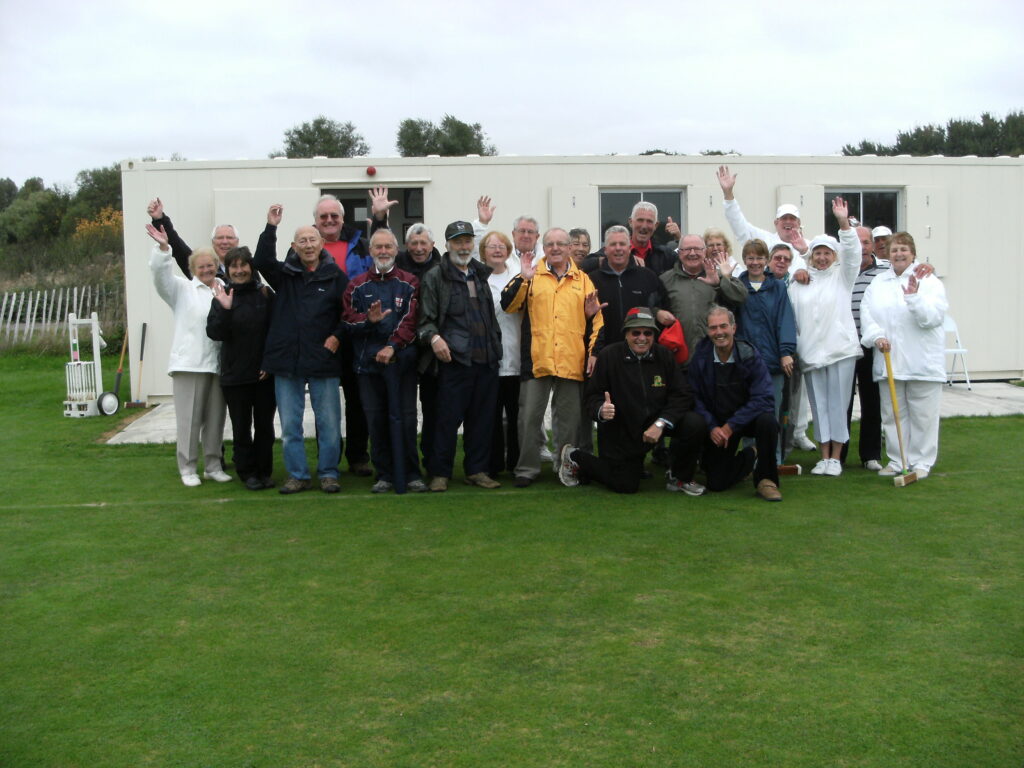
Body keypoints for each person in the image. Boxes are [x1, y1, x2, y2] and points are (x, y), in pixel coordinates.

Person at [557, 308, 705, 495]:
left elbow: (682, 394)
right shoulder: (609, 356)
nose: (642, 338)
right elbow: (591, 398)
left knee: (695, 423)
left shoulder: (664, 355)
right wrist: (602, 410)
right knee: (625, 485)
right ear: (626, 334)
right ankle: (575, 457)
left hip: (656, 423)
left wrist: (661, 423)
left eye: (648, 333)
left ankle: (680, 478)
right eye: (636, 332)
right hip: (622, 428)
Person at [255, 205, 348, 494]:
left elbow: (349, 313)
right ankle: (297, 475)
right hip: (287, 361)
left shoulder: (336, 276)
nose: (308, 245)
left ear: (322, 243)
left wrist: (337, 335)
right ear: (294, 246)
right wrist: (271, 227)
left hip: (323, 359)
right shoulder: (285, 274)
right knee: (290, 426)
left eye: (313, 240)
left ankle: (329, 473)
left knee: (329, 424)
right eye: (302, 241)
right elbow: (261, 259)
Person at [501, 227, 604, 487]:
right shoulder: (531, 275)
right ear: (543, 248)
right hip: (538, 359)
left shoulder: (583, 280)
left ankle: (564, 466)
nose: (555, 248)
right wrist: (523, 278)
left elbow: (597, 320)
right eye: (550, 244)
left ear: (570, 248)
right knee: (528, 418)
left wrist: (593, 352)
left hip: (571, 359)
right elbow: (508, 304)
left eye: (561, 243)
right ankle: (526, 468)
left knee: (569, 421)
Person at [417, 221, 503, 492]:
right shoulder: (434, 277)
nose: (463, 246)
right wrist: (434, 338)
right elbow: (424, 321)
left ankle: (476, 470)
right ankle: (440, 473)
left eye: (467, 241)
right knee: (446, 421)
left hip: (485, 360)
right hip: (454, 362)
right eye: (457, 241)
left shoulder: (480, 274)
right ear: (447, 245)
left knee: (482, 420)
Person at [313, 189, 393, 479]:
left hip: (358, 334)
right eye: (324, 216)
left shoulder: (359, 243)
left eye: (334, 215)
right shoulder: (306, 246)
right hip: (323, 339)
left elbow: (382, 253)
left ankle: (359, 457)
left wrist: (381, 218)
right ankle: (328, 459)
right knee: (325, 405)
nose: (330, 220)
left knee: (358, 402)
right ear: (316, 221)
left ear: (342, 217)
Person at [342, 229, 426, 493]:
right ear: (371, 252)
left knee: (407, 418)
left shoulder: (410, 282)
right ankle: (385, 474)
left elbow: (411, 321)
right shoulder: (356, 285)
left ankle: (412, 473)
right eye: (378, 247)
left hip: (402, 365)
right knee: (376, 421)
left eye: (388, 247)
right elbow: (347, 320)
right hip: (368, 366)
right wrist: (369, 321)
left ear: (396, 249)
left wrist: (392, 345)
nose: (383, 252)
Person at [146, 223, 229, 487]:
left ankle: (213, 466)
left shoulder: (225, 290)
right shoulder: (181, 290)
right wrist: (163, 249)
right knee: (190, 421)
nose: (206, 269)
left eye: (210, 265)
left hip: (218, 366)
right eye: (201, 266)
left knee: (215, 420)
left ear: (217, 265)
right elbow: (160, 277)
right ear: (193, 269)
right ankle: (188, 467)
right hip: (189, 366)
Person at [860, 232, 948, 478]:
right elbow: (867, 313)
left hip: (922, 361)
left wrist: (913, 298)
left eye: (904, 250)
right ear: (888, 254)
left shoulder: (928, 280)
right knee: (893, 414)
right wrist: (876, 335)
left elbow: (932, 318)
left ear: (913, 253)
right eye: (895, 249)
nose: (899, 254)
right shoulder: (878, 283)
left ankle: (921, 462)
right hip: (889, 360)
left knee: (923, 415)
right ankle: (898, 461)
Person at [787, 198, 862, 477]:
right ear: (811, 256)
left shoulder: (843, 277)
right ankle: (824, 456)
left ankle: (836, 458)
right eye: (817, 253)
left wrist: (843, 223)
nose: (822, 258)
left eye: (827, 253)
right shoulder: (800, 282)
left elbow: (853, 252)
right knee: (818, 407)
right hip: (811, 355)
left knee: (837, 405)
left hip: (840, 351)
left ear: (834, 256)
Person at [689, 306, 782, 501]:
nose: (719, 332)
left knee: (768, 422)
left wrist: (731, 426)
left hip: (744, 420)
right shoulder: (700, 357)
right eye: (713, 328)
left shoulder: (750, 354)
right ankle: (750, 456)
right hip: (718, 424)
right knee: (716, 483)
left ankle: (766, 480)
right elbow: (694, 396)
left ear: (734, 328)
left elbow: (764, 398)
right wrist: (712, 426)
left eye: (723, 326)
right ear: (707, 331)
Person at [206, 246, 276, 490]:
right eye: (234, 266)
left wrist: (269, 363)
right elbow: (215, 333)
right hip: (235, 376)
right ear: (228, 270)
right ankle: (247, 473)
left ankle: (265, 471)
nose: (239, 270)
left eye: (243, 265)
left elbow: (275, 333)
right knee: (241, 428)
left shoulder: (265, 294)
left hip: (264, 375)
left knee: (265, 427)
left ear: (251, 268)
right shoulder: (222, 296)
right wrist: (225, 309)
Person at [734, 238, 797, 446]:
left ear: (766, 260)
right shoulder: (737, 287)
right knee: (747, 411)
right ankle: (749, 457)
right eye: (750, 258)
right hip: (746, 363)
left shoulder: (777, 287)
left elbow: (785, 320)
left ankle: (773, 458)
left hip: (772, 362)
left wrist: (785, 352)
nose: (755, 262)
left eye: (759, 258)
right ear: (744, 260)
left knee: (772, 411)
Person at [660, 234, 747, 356]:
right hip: (679, 356)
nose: (692, 253)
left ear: (705, 252)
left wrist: (721, 282)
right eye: (687, 249)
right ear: (679, 253)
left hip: (714, 357)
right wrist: (657, 312)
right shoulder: (666, 280)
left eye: (697, 249)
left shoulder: (717, 275)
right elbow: (653, 307)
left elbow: (740, 297)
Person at [482, 230, 522, 477]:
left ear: (508, 251)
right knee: (491, 416)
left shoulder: (519, 277)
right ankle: (493, 464)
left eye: (501, 246)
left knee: (517, 415)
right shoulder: (478, 280)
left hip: (516, 356)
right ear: (483, 252)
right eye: (491, 246)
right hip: (489, 359)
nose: (497, 250)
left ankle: (517, 463)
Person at [717, 165, 808, 273]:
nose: (788, 221)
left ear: (799, 223)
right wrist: (728, 194)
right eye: (784, 218)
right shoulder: (764, 240)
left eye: (792, 219)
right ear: (776, 223)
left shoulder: (810, 247)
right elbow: (738, 223)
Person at [146, 197, 237, 278]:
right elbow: (178, 247)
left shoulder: (247, 269)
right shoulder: (200, 267)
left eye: (229, 238)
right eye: (220, 238)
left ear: (237, 241)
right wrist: (160, 219)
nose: (225, 242)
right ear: (212, 242)